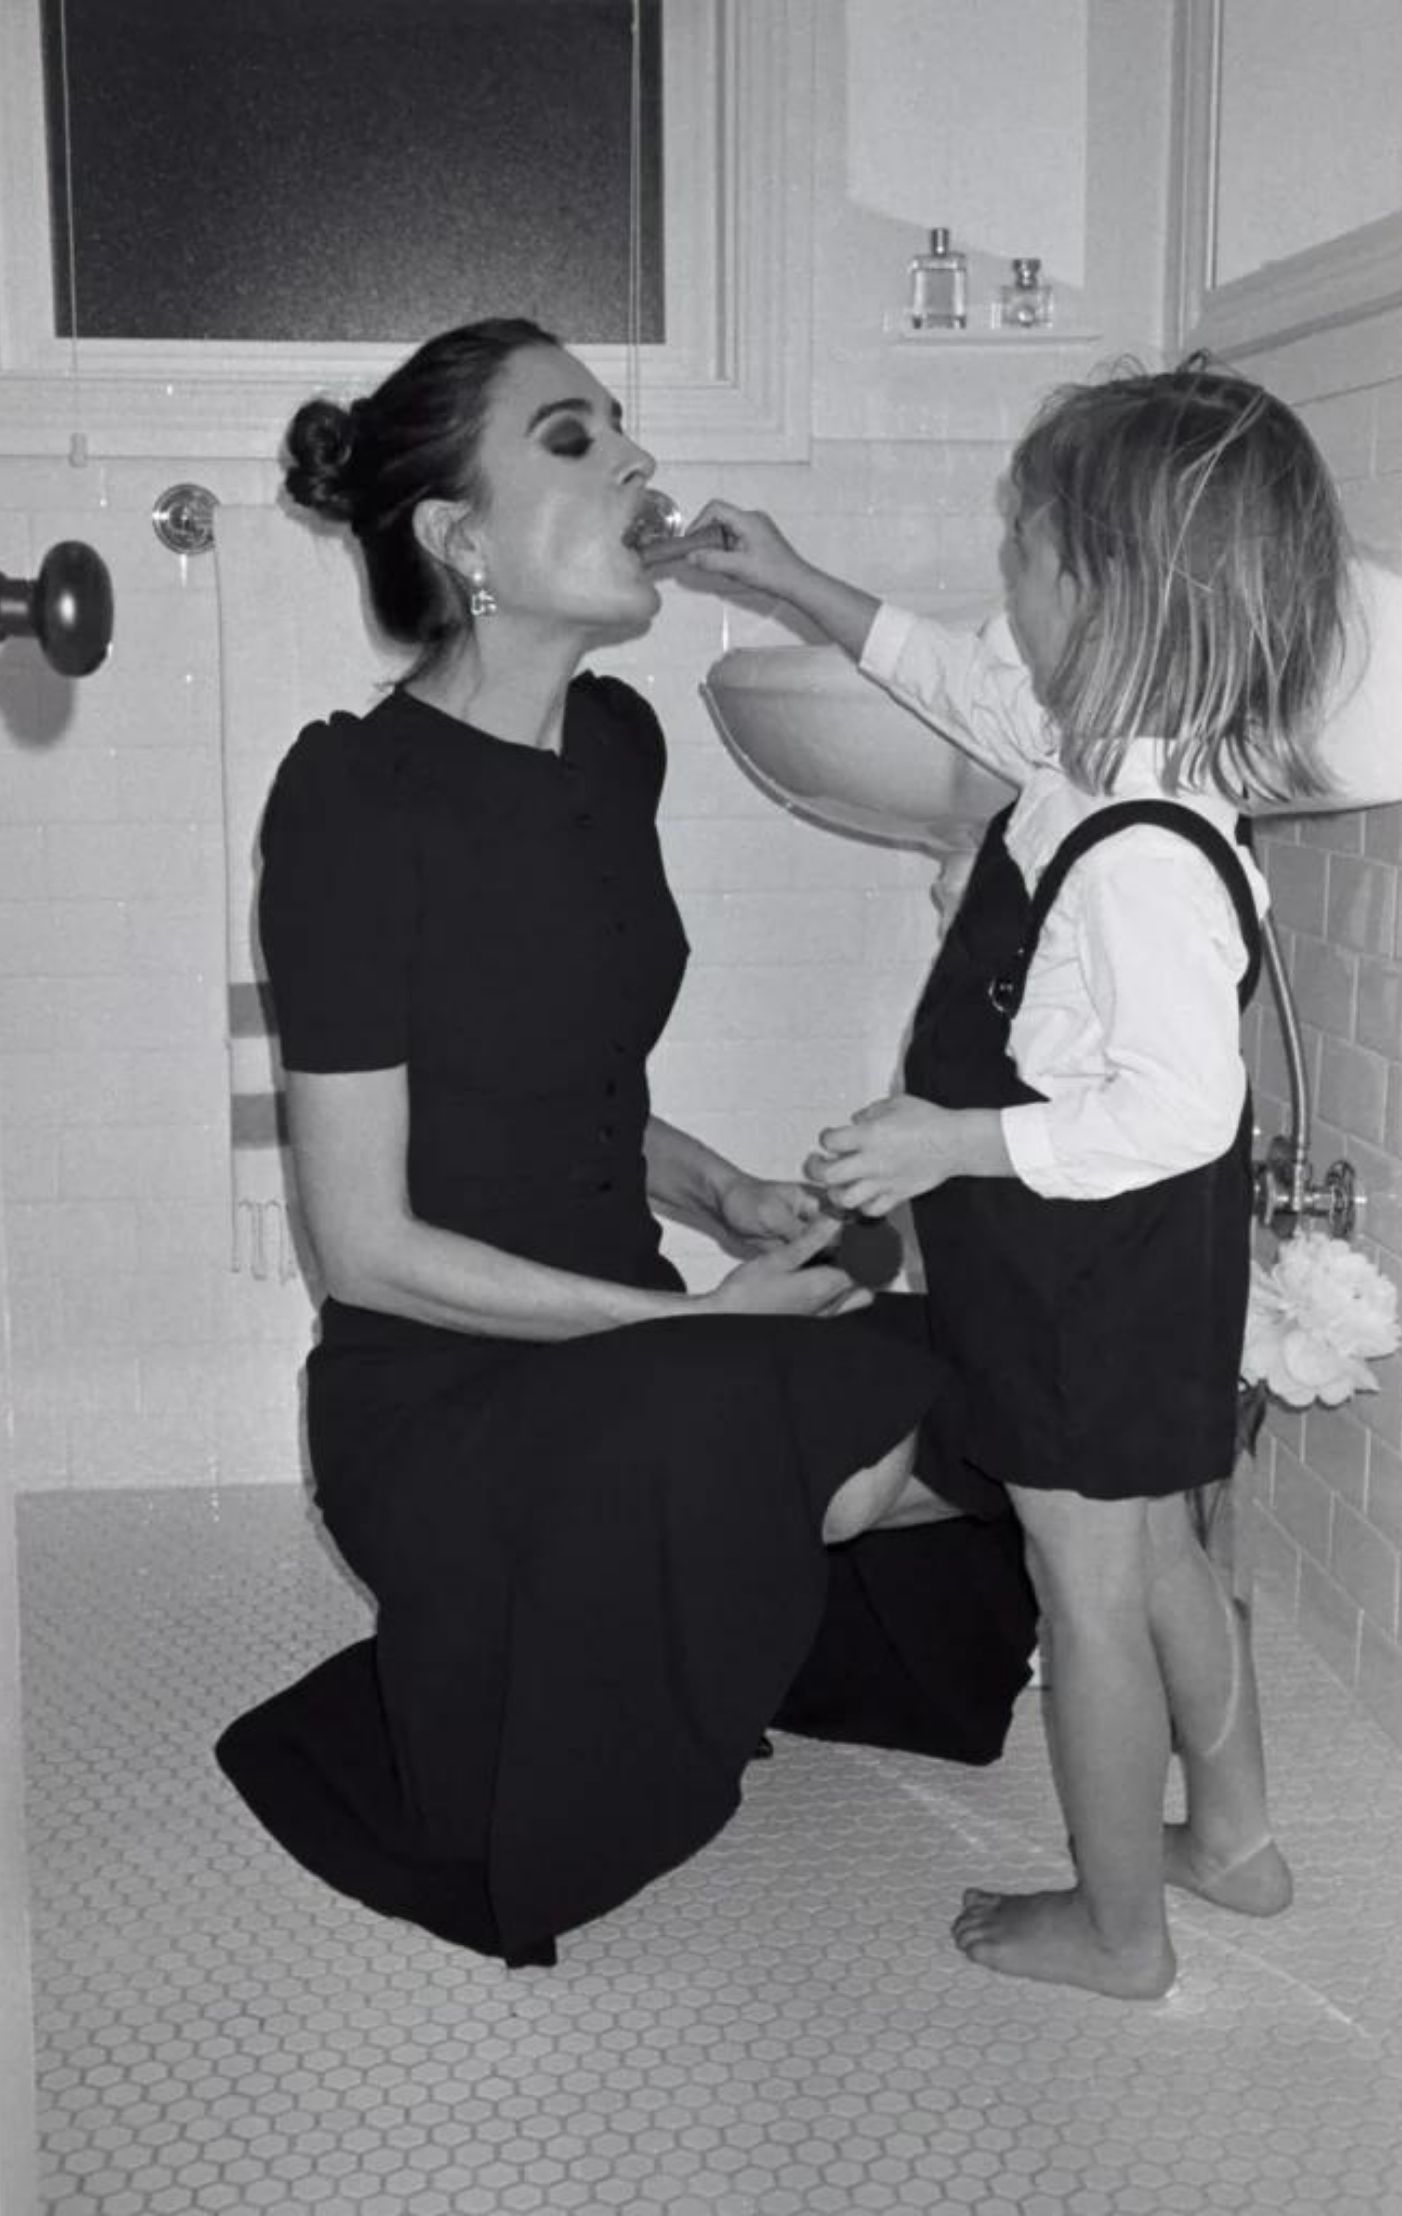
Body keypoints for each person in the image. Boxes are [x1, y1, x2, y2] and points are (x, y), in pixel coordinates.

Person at [217, 318, 1039, 1970]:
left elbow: (552, 1075)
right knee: (768, 1405)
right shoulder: (351, 805)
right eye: (573, 438)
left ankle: (727, 1565)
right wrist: (691, 1328)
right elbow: (363, 1251)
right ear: (459, 539)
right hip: (441, 1396)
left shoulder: (616, 746)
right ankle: (661, 1566)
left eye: (622, 427)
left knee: (1000, 1356)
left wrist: (721, 1192)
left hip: (633, 1341)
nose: (638, 461)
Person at [654, 362, 1347, 1998]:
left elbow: (1177, 1112)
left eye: (1021, 554)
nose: (1002, 591)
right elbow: (965, 687)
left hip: (1080, 1286)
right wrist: (798, 583)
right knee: (1159, 1554)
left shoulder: (1141, 856)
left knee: (1083, 1589)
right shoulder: (1114, 757)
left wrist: (946, 1141)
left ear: (1102, 594)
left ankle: (1119, 1929)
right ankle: (1232, 1842)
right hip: (1124, 1278)